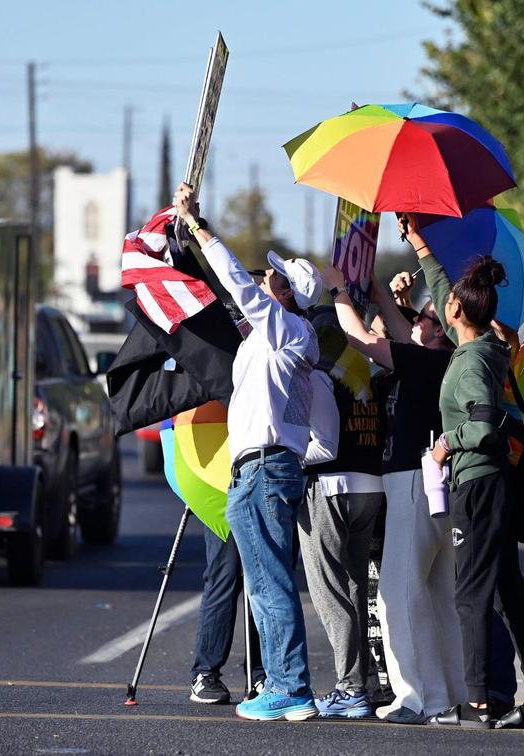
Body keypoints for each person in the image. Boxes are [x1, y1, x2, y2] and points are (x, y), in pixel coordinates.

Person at [173, 182, 322, 722]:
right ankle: (286, 685)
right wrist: (187, 243)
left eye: (274, 277)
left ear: (288, 294)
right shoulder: (275, 334)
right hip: (260, 469)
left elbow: (238, 285)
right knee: (265, 582)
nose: (265, 277)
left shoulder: (290, 329)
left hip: (264, 467)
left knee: (269, 584)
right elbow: (228, 296)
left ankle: (290, 687)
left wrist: (199, 226)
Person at [404, 215, 524, 730]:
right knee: (509, 590)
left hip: (479, 481)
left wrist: (448, 442)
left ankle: (477, 703)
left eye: (447, 306)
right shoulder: (483, 347)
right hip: (497, 483)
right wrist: (420, 244)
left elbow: (485, 425)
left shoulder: (470, 362)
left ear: (456, 313)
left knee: (471, 593)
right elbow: (447, 291)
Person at [317, 262, 467, 725]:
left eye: (423, 318)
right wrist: (378, 290)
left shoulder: (425, 360)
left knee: (398, 593)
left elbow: (363, 340)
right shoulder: (445, 359)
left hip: (413, 481)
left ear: (438, 331)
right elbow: (402, 331)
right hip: (440, 486)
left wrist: (342, 291)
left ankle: (420, 697)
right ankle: (452, 693)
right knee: (440, 593)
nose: (414, 320)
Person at [189, 366, 340, 706]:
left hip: (265, 473)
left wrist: (290, 458)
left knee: (269, 579)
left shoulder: (280, 358)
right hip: (225, 476)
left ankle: (268, 676)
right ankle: (207, 670)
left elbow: (317, 440)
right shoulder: (235, 355)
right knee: (227, 574)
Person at [297, 306, 386, 719]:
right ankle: (363, 683)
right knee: (353, 585)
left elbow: (322, 443)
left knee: (329, 588)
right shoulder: (364, 369)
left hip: (329, 487)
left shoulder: (319, 375)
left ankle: (350, 687)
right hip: (370, 485)